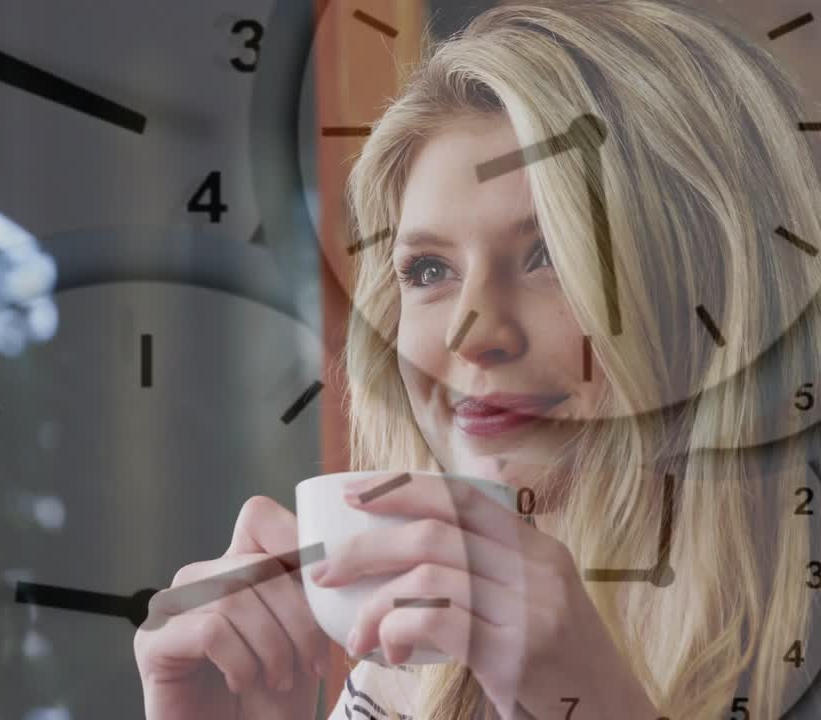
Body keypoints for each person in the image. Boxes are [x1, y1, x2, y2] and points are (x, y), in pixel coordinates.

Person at [133, 1, 821, 718]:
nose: (470, 334)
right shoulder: (406, 676)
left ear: (718, 284)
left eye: (549, 253)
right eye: (428, 271)